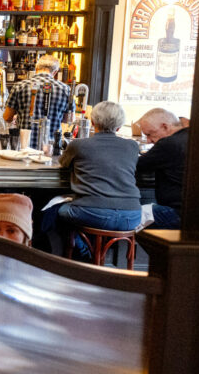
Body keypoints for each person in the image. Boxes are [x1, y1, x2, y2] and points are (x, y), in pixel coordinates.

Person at [43, 100, 142, 259]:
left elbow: (63, 163)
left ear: (93, 122)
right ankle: (101, 256)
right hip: (132, 216)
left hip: (92, 212)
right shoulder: (132, 146)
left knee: (55, 211)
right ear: (119, 126)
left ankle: (84, 254)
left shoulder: (79, 145)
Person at [3, 54, 72, 149]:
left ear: (36, 68)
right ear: (55, 72)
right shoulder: (66, 89)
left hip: (24, 147)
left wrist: (18, 116)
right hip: (51, 148)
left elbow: (7, 117)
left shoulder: (19, 86)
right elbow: (67, 119)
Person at [135, 107, 189, 229]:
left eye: (150, 134)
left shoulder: (169, 143)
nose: (148, 141)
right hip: (192, 213)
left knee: (125, 217)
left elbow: (136, 165)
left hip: (175, 212)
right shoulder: (190, 136)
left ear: (165, 127)